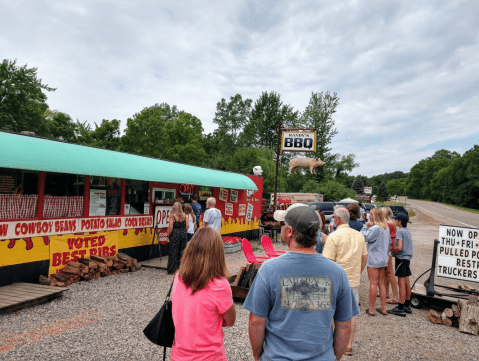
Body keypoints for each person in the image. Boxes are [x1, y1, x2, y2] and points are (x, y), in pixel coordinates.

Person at [244, 204, 359, 361]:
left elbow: (256, 321)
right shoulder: (337, 272)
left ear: (290, 231)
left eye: (283, 225)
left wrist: (257, 356)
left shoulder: (269, 270)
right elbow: (344, 325)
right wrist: (334, 358)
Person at [171, 227, 236, 360]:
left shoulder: (179, 277)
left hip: (179, 355)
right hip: (209, 356)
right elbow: (230, 321)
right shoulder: (220, 285)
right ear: (217, 254)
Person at [323, 207, 368, 356]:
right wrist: (357, 272)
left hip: (335, 281)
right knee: (350, 314)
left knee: (332, 312)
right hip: (353, 280)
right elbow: (364, 258)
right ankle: (348, 345)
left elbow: (328, 262)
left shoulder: (333, 237)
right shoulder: (359, 236)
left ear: (337, 219)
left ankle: (333, 342)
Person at [360, 208, 390, 316]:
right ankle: (383, 308)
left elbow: (364, 237)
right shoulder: (386, 228)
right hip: (383, 259)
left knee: (373, 283)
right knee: (382, 284)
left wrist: (365, 226)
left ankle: (371, 309)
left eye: (371, 215)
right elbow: (389, 244)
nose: (369, 216)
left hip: (373, 259)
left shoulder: (375, 228)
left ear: (374, 216)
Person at [388, 213, 413, 317]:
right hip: (407, 259)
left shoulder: (400, 231)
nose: (394, 221)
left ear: (399, 221)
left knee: (401, 283)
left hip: (401, 258)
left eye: (396, 220)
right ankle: (407, 304)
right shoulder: (407, 231)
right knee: (407, 282)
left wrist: (393, 253)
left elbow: (399, 247)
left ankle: (400, 307)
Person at [382, 206, 399, 304]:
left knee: (390, 272)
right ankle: (387, 292)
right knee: (386, 272)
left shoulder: (387, 223)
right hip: (390, 247)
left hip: (388, 248)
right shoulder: (392, 222)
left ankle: (395, 296)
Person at [167, 202, 188, 274]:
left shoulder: (172, 216)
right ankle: (181, 269)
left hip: (175, 234)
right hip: (183, 233)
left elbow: (170, 227)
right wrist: (183, 232)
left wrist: (168, 235)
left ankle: (173, 269)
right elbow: (187, 226)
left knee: (173, 251)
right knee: (182, 252)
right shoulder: (185, 216)